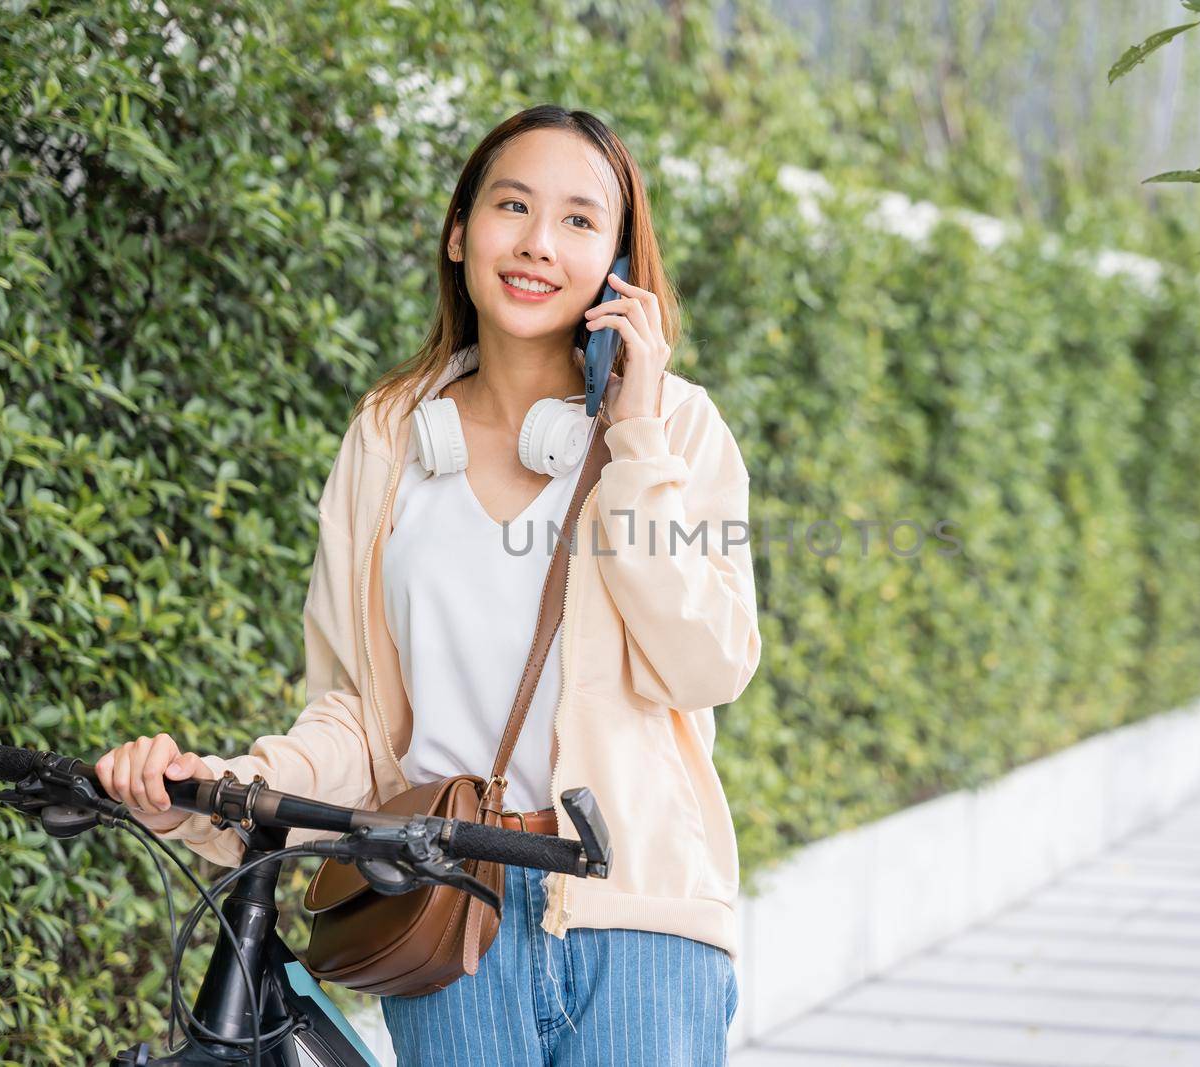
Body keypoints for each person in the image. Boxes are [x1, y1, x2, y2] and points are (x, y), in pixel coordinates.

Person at [94, 103, 760, 1065]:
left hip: (643, 918)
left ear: (618, 264)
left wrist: (637, 435)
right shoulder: (389, 434)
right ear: (460, 233)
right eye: (513, 205)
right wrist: (216, 788)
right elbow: (359, 721)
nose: (538, 243)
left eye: (579, 220)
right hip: (445, 909)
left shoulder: (682, 432)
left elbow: (708, 664)